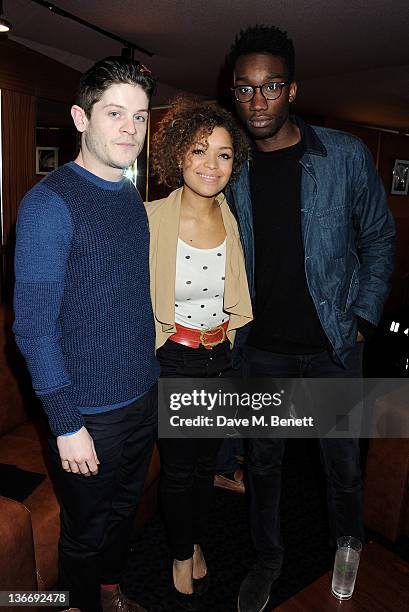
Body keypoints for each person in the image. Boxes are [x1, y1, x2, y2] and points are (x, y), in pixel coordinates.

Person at [224, 25, 396, 612]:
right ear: (234, 93)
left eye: (270, 86)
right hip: (262, 351)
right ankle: (267, 560)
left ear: (292, 89)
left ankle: (348, 553)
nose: (257, 100)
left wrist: (364, 320)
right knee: (264, 465)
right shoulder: (232, 167)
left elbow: (378, 239)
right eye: (245, 89)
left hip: (333, 346)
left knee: (343, 467)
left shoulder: (343, 155)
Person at [13, 56, 159, 612]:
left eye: (140, 116)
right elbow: (32, 328)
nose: (130, 128)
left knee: (123, 513)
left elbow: (126, 299)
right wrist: (67, 422)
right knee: (86, 527)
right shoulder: (49, 205)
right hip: (88, 411)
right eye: (114, 113)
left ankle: (109, 589)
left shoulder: (128, 196)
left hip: (141, 394)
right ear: (81, 117)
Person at [148, 99, 252, 610]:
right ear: (178, 156)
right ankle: (179, 551)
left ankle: (190, 540)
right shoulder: (148, 220)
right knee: (178, 471)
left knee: (207, 465)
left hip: (221, 360)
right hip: (174, 358)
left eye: (225, 154)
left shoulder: (237, 225)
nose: (212, 164)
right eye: (199, 150)